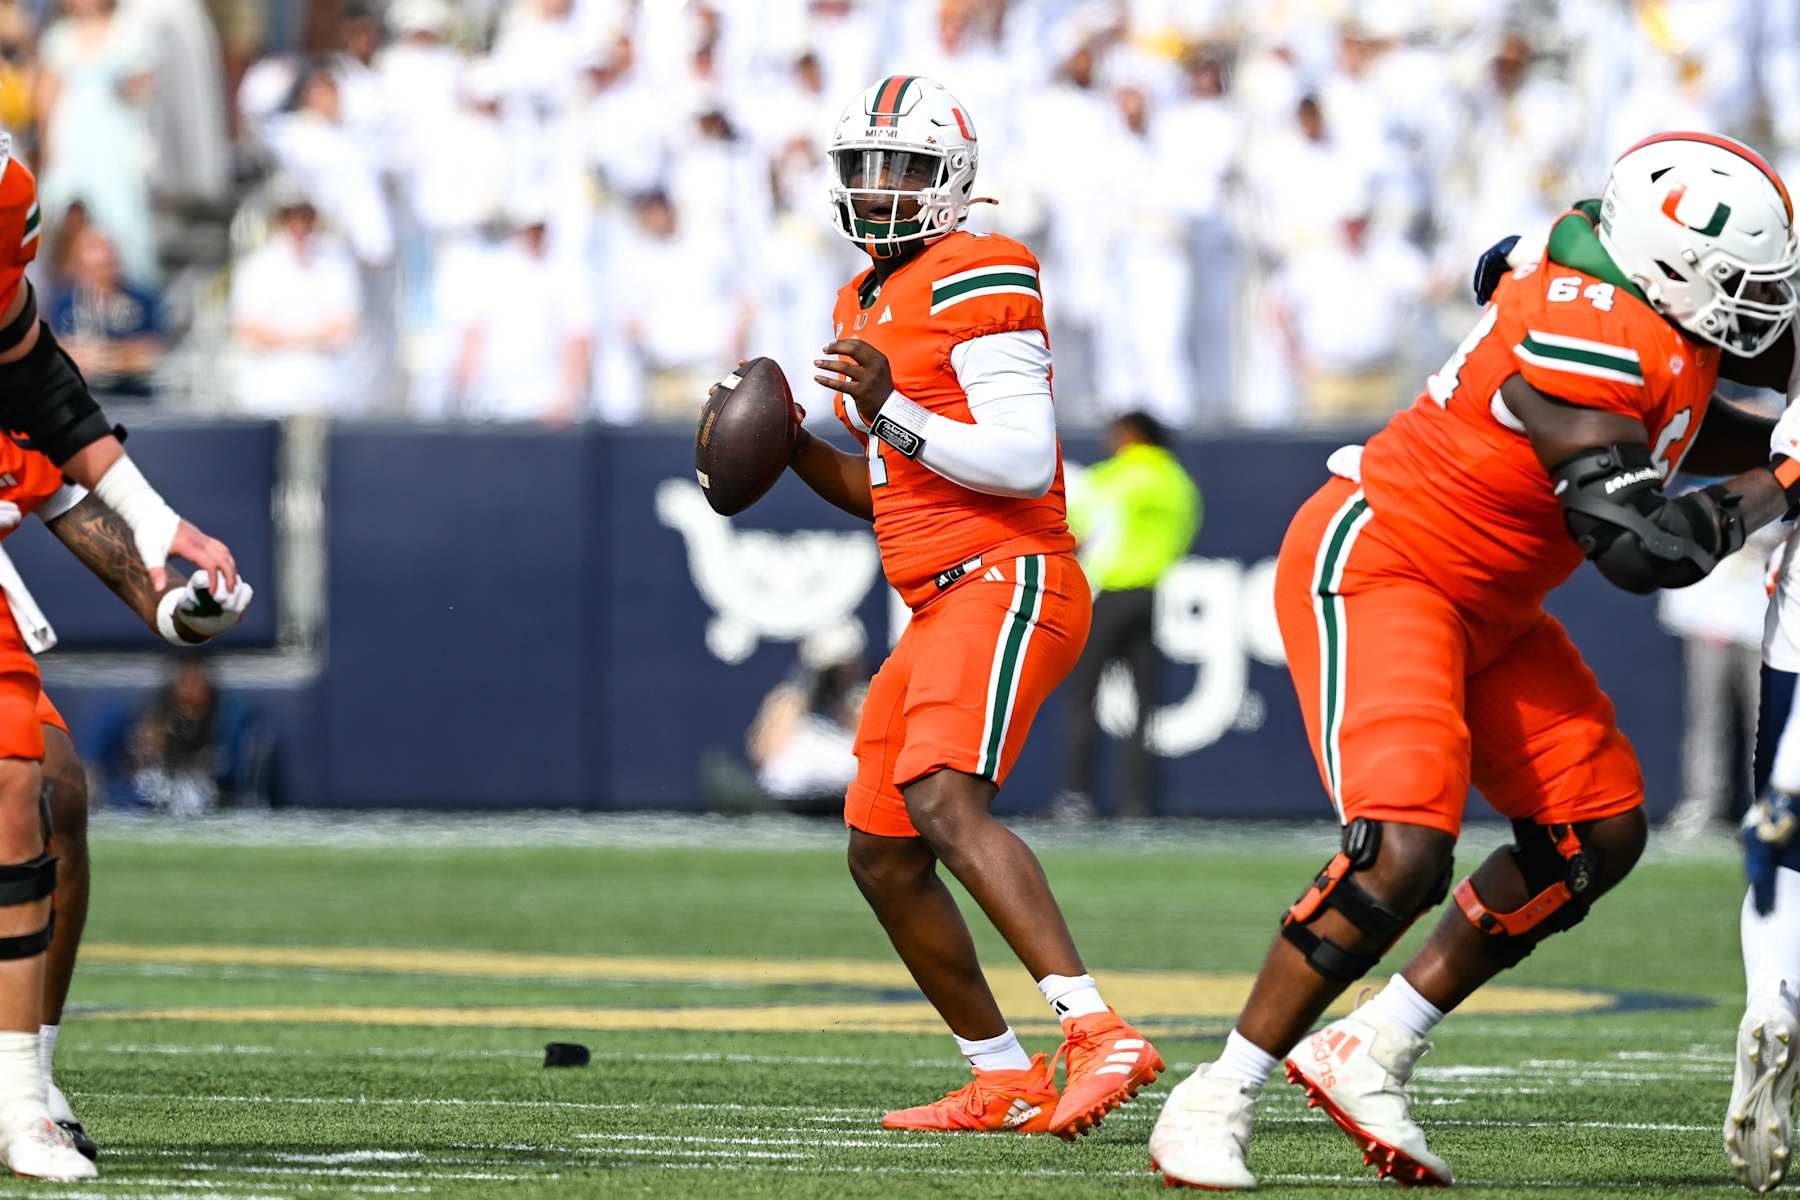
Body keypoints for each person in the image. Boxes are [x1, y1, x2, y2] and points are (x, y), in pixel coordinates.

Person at [1150, 131, 1800, 1190]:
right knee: (1400, 856)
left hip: (1492, 603)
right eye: (1743, 286)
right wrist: (1789, 475)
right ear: (1672, 270)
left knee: (1596, 831)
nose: (1762, 308)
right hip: (1390, 562)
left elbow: (1688, 415)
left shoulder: (1637, 296)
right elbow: (1642, 548)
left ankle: (1377, 1041)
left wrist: (1776, 440)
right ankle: (1218, 1090)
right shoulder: (1579, 330)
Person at [772, 75, 1163, 1138]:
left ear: (951, 178)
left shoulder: (980, 270)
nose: (878, 187)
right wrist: (787, 444)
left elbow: (1023, 455)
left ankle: (1096, 1032)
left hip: (1008, 573)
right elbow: (885, 487)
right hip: (936, 599)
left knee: (944, 799)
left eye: (900, 166)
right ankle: (998, 1072)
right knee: (882, 849)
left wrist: (887, 408)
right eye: (862, 167)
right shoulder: (861, 296)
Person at [1059, 411, 1200, 818]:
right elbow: (1185, 533)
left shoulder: (1117, 477)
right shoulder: (1178, 483)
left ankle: (1076, 796)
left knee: (1082, 695)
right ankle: (1135, 803)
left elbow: (1081, 525)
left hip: (1111, 592)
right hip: (1151, 594)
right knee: (1144, 704)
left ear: (1131, 435)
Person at [45, 225, 161, 399]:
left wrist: (105, 356)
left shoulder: (141, 300)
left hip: (134, 398)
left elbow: (152, 353)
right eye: (93, 270)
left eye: (106, 266)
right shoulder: (64, 304)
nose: (101, 277)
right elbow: (57, 353)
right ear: (79, 269)